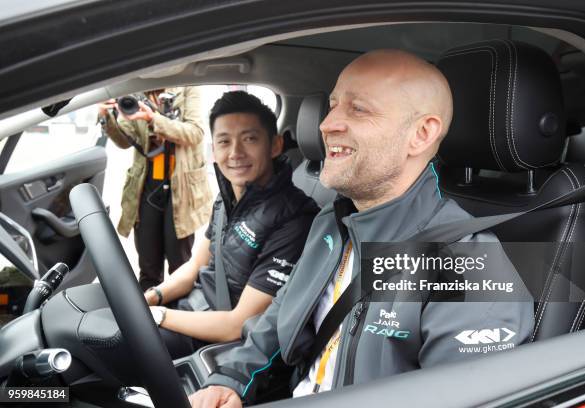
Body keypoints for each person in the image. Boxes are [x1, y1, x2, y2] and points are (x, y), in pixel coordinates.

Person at [188, 50, 535, 408]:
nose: (327, 124)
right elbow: (283, 313)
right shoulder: (332, 221)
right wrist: (232, 378)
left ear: (421, 134)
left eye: (358, 109)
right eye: (334, 105)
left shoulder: (471, 268)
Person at [144, 91, 319, 358]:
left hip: (214, 342)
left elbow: (237, 326)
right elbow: (194, 267)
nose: (235, 153)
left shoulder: (294, 219)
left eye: (249, 139)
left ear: (275, 145)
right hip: (190, 312)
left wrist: (157, 315)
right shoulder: (227, 196)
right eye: (224, 142)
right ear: (214, 150)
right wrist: (152, 296)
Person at [98, 87, 213, 291]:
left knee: (180, 264)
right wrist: (106, 117)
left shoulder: (187, 88)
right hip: (146, 184)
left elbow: (195, 133)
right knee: (148, 267)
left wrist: (154, 119)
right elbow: (125, 142)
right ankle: (148, 317)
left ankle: (179, 317)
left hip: (182, 187)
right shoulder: (137, 92)